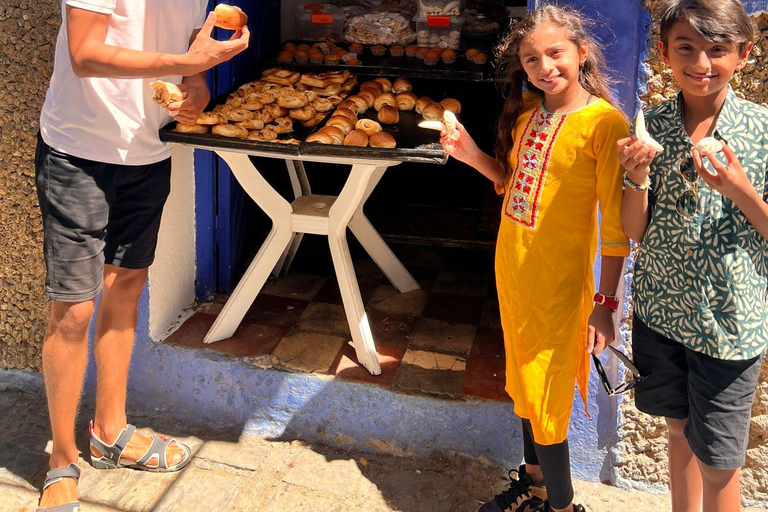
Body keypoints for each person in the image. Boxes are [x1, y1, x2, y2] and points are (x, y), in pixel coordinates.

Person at [35, 2, 249, 511]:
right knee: (73, 310)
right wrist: (180, 58)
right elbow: (85, 54)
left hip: (148, 153)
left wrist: (196, 89)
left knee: (126, 289)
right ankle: (60, 460)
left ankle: (110, 431)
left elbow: (190, 71)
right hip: (77, 153)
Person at [440, 6, 630, 512]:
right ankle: (535, 485)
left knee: (546, 393)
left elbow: (615, 230)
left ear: (581, 53)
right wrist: (469, 153)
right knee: (525, 380)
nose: (544, 66)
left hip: (561, 285)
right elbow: (510, 183)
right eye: (530, 59)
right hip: (515, 272)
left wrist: (606, 304)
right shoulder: (528, 117)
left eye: (555, 53)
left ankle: (562, 507)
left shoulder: (605, 125)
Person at [618, 1, 768, 511]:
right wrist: (635, 178)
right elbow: (636, 230)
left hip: (728, 327)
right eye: (686, 48)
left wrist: (742, 191)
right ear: (663, 52)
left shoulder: (762, 131)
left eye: (717, 50)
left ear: (743, 55)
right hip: (661, 313)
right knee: (678, 433)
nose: (701, 63)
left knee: (719, 461)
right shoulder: (652, 124)